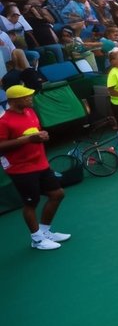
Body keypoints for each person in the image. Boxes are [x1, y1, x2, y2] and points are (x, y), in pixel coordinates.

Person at [0, 84, 70, 249]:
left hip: (41, 163)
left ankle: (44, 231)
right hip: (21, 169)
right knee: (31, 203)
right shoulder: (4, 122)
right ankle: (37, 239)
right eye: (27, 97)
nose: (31, 99)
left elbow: (35, 132)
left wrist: (43, 135)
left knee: (57, 194)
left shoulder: (30, 112)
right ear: (15, 101)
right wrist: (28, 140)